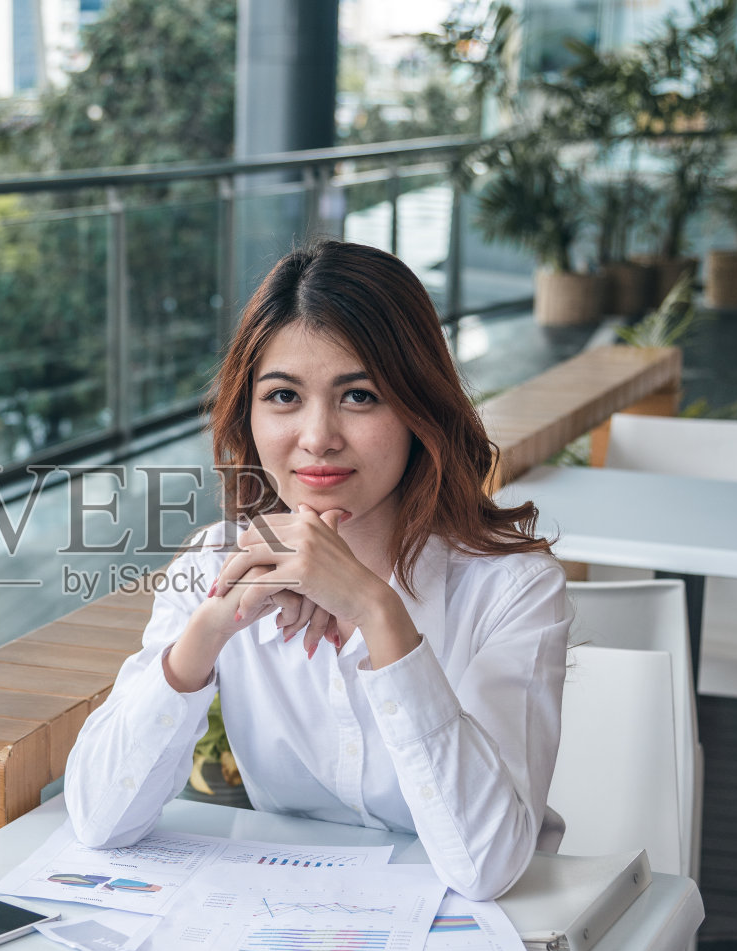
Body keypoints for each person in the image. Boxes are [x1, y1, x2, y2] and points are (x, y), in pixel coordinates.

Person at [63, 240, 570, 900]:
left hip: (492, 947)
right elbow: (99, 821)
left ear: (420, 409)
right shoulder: (217, 563)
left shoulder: (512, 590)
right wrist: (209, 627)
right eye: (283, 396)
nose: (318, 436)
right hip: (285, 939)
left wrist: (377, 613)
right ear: (248, 412)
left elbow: (487, 867)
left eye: (359, 396)